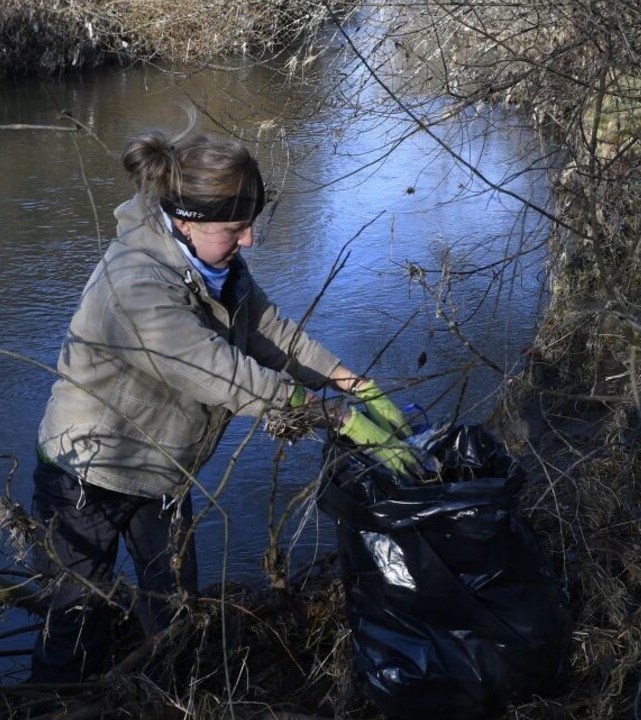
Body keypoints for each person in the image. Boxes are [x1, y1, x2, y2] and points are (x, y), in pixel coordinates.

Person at [28, 117, 413, 683]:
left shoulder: (215, 265)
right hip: (87, 476)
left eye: (250, 225)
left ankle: (158, 699)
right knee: (73, 626)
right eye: (237, 228)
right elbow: (227, 376)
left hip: (164, 474)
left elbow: (270, 332)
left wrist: (352, 382)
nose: (250, 240)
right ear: (185, 219)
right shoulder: (135, 286)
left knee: (176, 617)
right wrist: (336, 417)